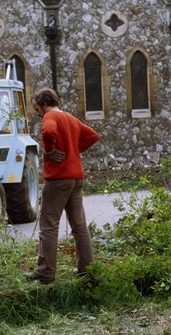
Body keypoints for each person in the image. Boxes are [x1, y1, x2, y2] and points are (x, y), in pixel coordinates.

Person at [27, 87, 99, 284]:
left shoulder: (50, 117)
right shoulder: (70, 118)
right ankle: (87, 270)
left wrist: (50, 151)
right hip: (76, 177)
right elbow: (93, 135)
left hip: (59, 178)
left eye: (37, 110)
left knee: (48, 224)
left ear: (44, 104)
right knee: (79, 225)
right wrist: (74, 151)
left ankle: (45, 272)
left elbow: (49, 131)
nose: (38, 114)